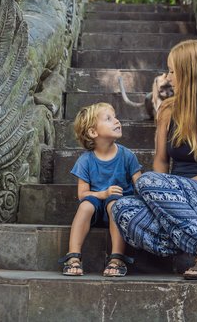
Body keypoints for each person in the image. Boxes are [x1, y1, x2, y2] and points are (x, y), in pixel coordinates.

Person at [112, 40, 197, 280]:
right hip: (170, 196)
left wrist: (172, 191)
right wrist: (164, 193)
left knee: (147, 181)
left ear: (189, 72)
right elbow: (161, 162)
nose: (168, 77)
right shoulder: (167, 111)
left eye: (172, 71)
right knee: (121, 208)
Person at [59, 103, 142, 277]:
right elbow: (82, 194)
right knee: (86, 205)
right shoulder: (86, 160)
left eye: (115, 116)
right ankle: (73, 256)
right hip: (96, 207)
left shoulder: (127, 156)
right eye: (109, 118)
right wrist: (101, 194)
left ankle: (117, 258)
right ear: (93, 132)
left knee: (113, 203)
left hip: (120, 210)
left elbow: (141, 187)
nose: (117, 121)